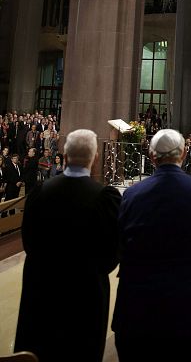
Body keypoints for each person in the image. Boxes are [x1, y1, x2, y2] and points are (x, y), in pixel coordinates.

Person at [112, 128, 191, 361]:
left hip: (140, 304)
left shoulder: (132, 194)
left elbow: (120, 244)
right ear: (183, 154)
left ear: (152, 157)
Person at [14, 129, 121, 362]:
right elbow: (112, 252)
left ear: (64, 156)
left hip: (41, 291)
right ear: (95, 159)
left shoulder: (39, 192)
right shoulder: (106, 197)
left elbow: (28, 242)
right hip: (86, 295)